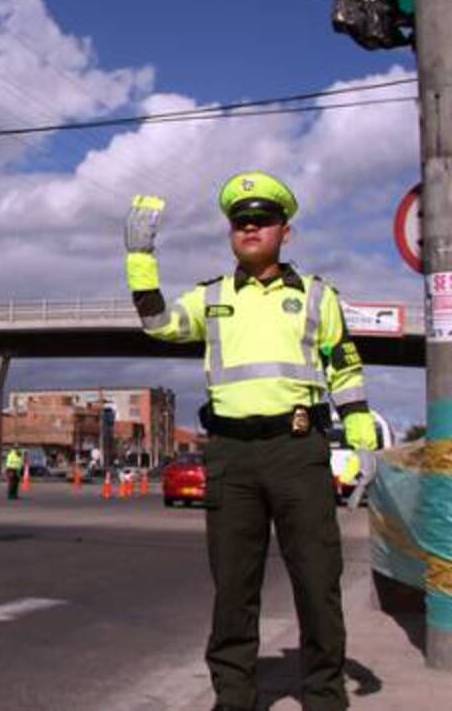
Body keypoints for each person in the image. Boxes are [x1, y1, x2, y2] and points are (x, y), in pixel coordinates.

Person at [125, 171, 377, 711]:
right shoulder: (211, 297)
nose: (250, 228)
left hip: (298, 451)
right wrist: (140, 256)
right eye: (241, 221)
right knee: (234, 588)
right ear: (231, 233)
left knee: (317, 580)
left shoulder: (317, 297)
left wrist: (361, 438)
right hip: (231, 456)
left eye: (263, 220)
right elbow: (157, 323)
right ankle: (234, 697)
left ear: (286, 231)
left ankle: (325, 695)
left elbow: (345, 368)